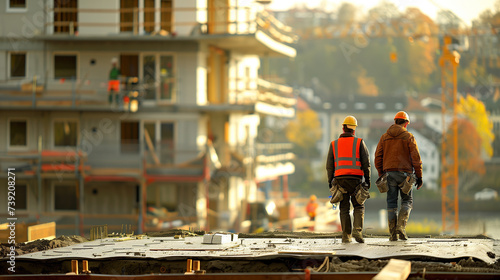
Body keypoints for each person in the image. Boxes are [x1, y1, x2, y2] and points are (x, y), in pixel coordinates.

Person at [375, 111, 423, 241]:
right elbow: (416, 159)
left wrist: (382, 173)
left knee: (391, 203)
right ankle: (401, 228)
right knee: (407, 201)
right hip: (405, 175)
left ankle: (392, 234)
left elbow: (377, 157)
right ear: (406, 123)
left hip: (389, 174)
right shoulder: (409, 137)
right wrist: (419, 177)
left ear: (395, 121)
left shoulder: (384, 137)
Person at [326, 116, 371, 243]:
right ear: (354, 130)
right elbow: (366, 163)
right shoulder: (359, 142)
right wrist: (367, 181)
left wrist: (330, 182)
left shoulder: (333, 144)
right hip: (356, 179)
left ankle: (346, 235)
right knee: (358, 205)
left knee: (344, 207)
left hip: (340, 180)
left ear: (343, 128)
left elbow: (329, 166)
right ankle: (358, 230)